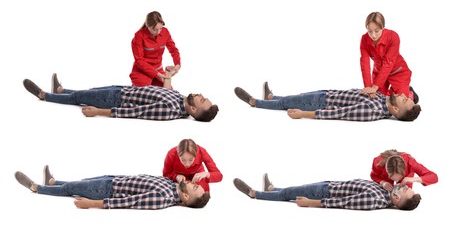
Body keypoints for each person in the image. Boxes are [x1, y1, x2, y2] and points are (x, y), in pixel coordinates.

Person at [23, 73, 219, 122]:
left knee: (80, 98)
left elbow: (135, 112)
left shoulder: (169, 110)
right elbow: (164, 91)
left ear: (193, 109)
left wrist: (99, 112)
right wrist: (167, 78)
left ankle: (44, 96)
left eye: (202, 100)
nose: (200, 95)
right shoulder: (180, 99)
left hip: (117, 99)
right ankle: (61, 90)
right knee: (86, 92)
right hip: (122, 90)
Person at [14, 165, 210, 210]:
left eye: (194, 189)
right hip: (114, 179)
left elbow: (128, 202)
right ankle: (53, 182)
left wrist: (92, 204)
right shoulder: (173, 186)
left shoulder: (163, 198)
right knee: (78, 183)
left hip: (108, 190)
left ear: (185, 198)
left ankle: (36, 188)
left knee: (72, 189)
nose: (193, 184)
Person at [234, 81, 421, 122]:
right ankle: (272, 98)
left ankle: (255, 102)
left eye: (404, 100)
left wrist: (303, 115)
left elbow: (339, 114)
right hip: (328, 94)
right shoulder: (383, 100)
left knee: (289, 104)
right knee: (295, 98)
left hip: (322, 103)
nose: (404, 95)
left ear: (396, 110)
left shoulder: (372, 110)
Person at [233, 173, 421, 211]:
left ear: (397, 199)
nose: (404, 187)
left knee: (288, 196)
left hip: (325, 193)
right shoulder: (385, 192)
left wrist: (310, 203)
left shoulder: (374, 200)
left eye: (405, 191)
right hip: (330, 185)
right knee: (291, 191)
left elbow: (343, 203)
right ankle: (273, 189)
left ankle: (255, 194)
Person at [360, 11, 418, 103]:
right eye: (369, 31)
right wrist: (368, 87)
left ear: (383, 27)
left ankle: (410, 94)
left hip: (398, 73)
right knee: (378, 100)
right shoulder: (364, 39)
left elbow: (388, 62)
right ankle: (391, 93)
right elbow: (365, 63)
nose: (373, 35)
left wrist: (375, 86)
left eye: (377, 30)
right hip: (379, 73)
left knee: (399, 102)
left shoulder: (393, 36)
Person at [130, 11, 181, 87]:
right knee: (146, 93)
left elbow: (173, 49)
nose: (158, 32)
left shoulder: (165, 32)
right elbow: (139, 60)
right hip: (142, 71)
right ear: (148, 26)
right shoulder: (139, 36)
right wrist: (156, 74)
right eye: (155, 29)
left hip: (158, 70)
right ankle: (134, 88)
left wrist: (177, 64)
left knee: (168, 92)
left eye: (160, 28)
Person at [371, 149, 438, 191]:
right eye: (392, 177)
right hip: (385, 178)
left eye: (399, 177)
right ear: (387, 170)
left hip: (407, 176)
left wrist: (414, 179)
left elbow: (434, 177)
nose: (396, 181)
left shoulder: (411, 163)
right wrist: (383, 182)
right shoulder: (378, 162)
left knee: (404, 193)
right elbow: (373, 175)